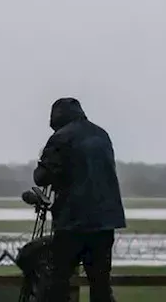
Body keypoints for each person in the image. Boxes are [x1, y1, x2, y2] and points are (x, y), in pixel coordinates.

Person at [33, 97, 126, 302]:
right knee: (100, 283)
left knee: (58, 281)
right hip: (105, 220)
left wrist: (42, 161)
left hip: (73, 220)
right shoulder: (102, 135)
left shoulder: (61, 138)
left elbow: (42, 177)